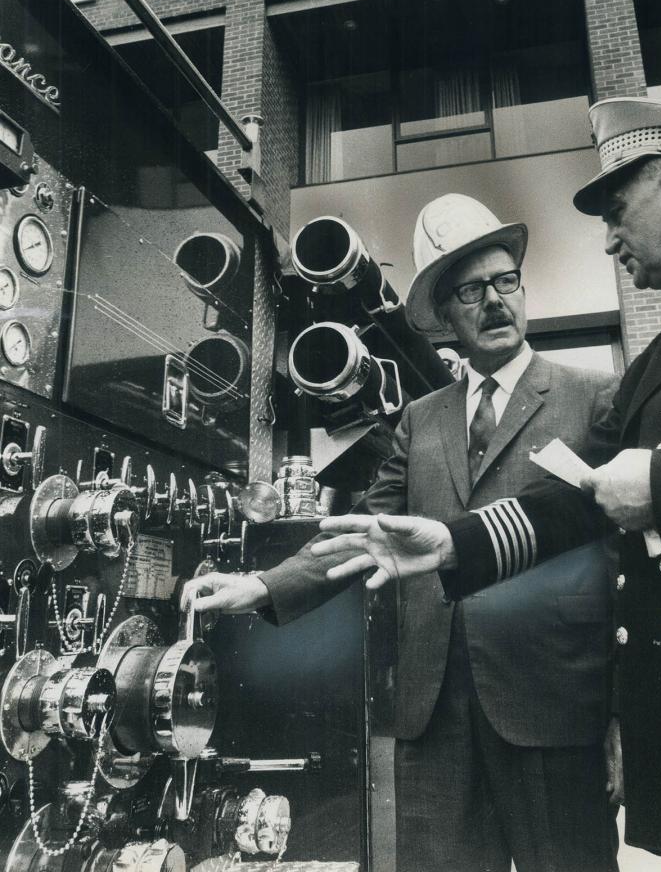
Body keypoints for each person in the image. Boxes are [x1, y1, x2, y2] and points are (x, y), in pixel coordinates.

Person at [314, 97, 661, 872]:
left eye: (616, 209)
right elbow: (589, 500)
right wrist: (454, 540)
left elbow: (641, 489)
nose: (606, 241)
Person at [183, 193, 618, 872]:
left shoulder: (591, 396)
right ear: (444, 316)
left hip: (552, 708)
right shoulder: (420, 420)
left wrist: (622, 713)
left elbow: (623, 549)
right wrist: (263, 585)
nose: (495, 302)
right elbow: (365, 535)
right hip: (433, 716)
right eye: (471, 291)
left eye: (506, 282)